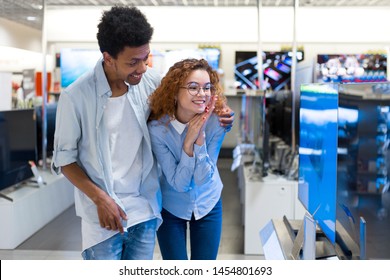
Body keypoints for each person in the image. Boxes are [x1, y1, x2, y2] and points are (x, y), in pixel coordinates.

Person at [51, 6, 234, 260]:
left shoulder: (149, 82)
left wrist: (219, 108)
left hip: (145, 212)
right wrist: (100, 199)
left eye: (145, 58)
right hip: (103, 216)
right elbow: (64, 160)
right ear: (108, 58)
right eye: (132, 62)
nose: (142, 68)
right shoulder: (76, 97)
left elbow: (186, 91)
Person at [148, 58, 228, 260]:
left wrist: (198, 140)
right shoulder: (158, 130)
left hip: (208, 202)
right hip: (171, 205)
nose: (202, 94)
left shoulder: (217, 123)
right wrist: (187, 145)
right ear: (174, 91)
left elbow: (204, 179)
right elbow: (179, 184)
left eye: (207, 88)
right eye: (193, 87)